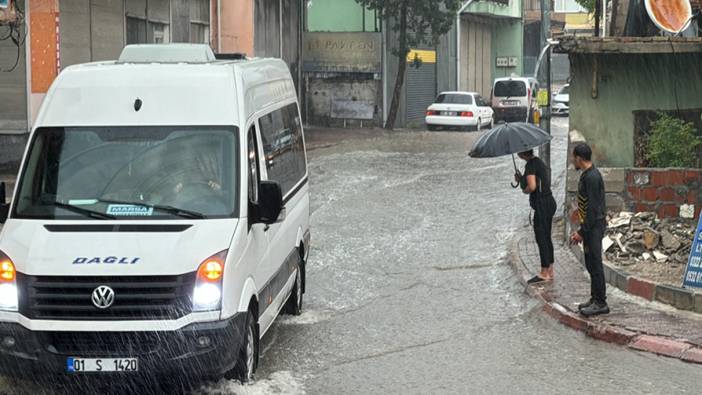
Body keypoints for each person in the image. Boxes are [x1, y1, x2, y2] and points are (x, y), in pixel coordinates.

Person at [569, 143, 609, 317]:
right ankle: (594, 298)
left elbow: (592, 209)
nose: (573, 160)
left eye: (574, 157)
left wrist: (581, 232)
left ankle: (601, 303)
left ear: (579, 158)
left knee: (595, 263)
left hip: (594, 227)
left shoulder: (592, 177)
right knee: (591, 263)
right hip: (589, 226)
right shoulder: (587, 175)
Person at [515, 149, 557, 284]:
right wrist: (521, 179)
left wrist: (524, 189)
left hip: (542, 205)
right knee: (546, 237)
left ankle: (544, 272)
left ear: (522, 153)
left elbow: (532, 186)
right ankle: (550, 270)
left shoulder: (531, 165)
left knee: (541, 238)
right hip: (549, 202)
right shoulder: (538, 162)